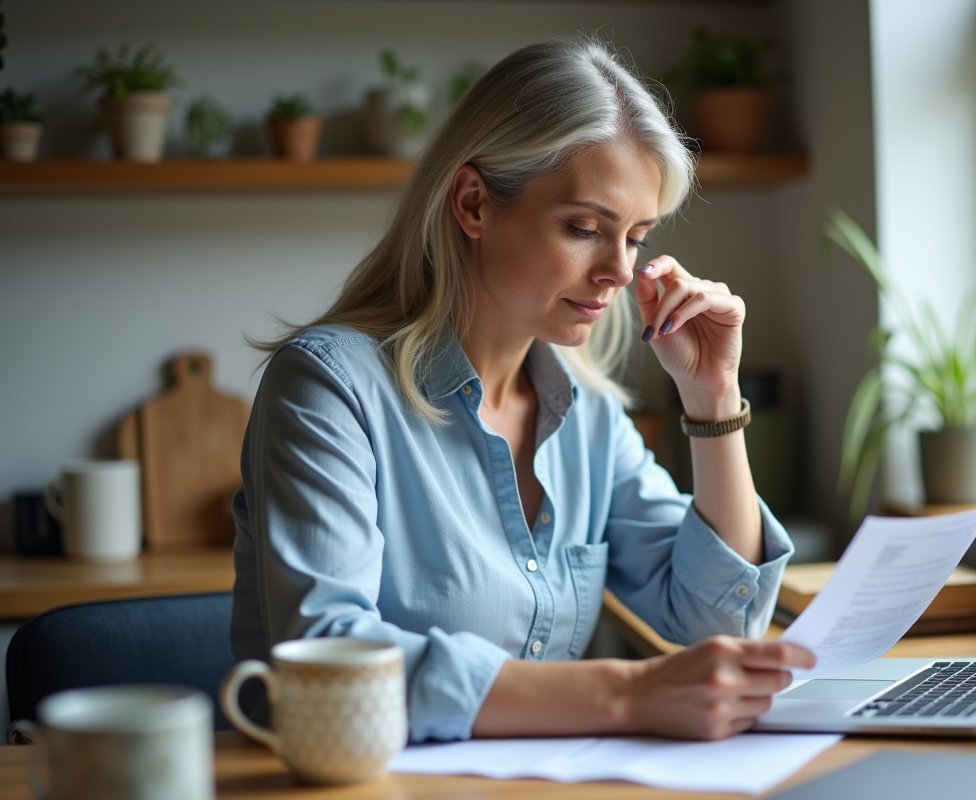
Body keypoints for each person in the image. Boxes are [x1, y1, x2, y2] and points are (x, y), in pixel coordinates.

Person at [230, 37, 814, 743]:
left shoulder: (590, 416)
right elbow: (329, 656)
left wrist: (714, 398)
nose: (619, 272)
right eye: (584, 229)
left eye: (635, 237)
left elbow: (716, 621)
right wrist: (626, 692)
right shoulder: (328, 386)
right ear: (474, 203)